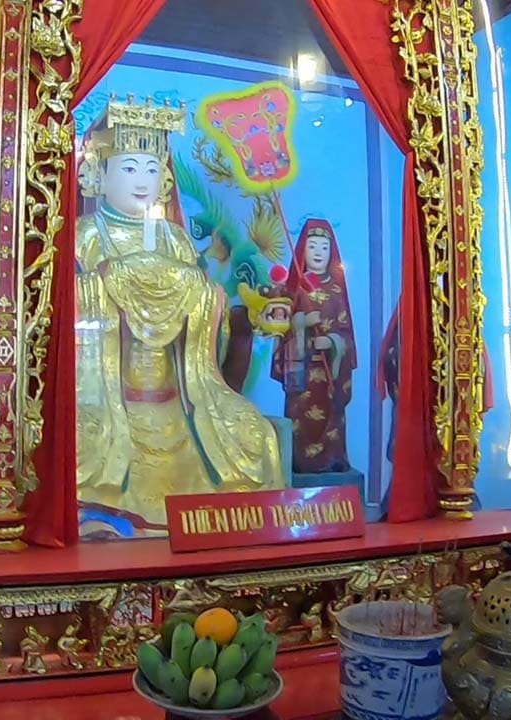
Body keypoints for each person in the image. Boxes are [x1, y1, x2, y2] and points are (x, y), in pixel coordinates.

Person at [74, 96, 284, 535]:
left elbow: (208, 305)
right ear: (100, 174)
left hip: (185, 401)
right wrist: (104, 284)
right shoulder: (88, 235)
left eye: (152, 169)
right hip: (113, 402)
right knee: (75, 447)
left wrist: (200, 295)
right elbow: (76, 307)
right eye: (129, 167)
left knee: (255, 436)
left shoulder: (175, 240)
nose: (141, 181)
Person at [272, 219, 357, 474]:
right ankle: (300, 462)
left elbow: (346, 333)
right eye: (312, 246)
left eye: (324, 246)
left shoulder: (336, 290)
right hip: (303, 373)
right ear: (302, 251)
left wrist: (332, 342)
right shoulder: (293, 290)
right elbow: (280, 328)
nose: (319, 252)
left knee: (332, 418)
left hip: (329, 373)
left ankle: (331, 459)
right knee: (299, 416)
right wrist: (300, 323)